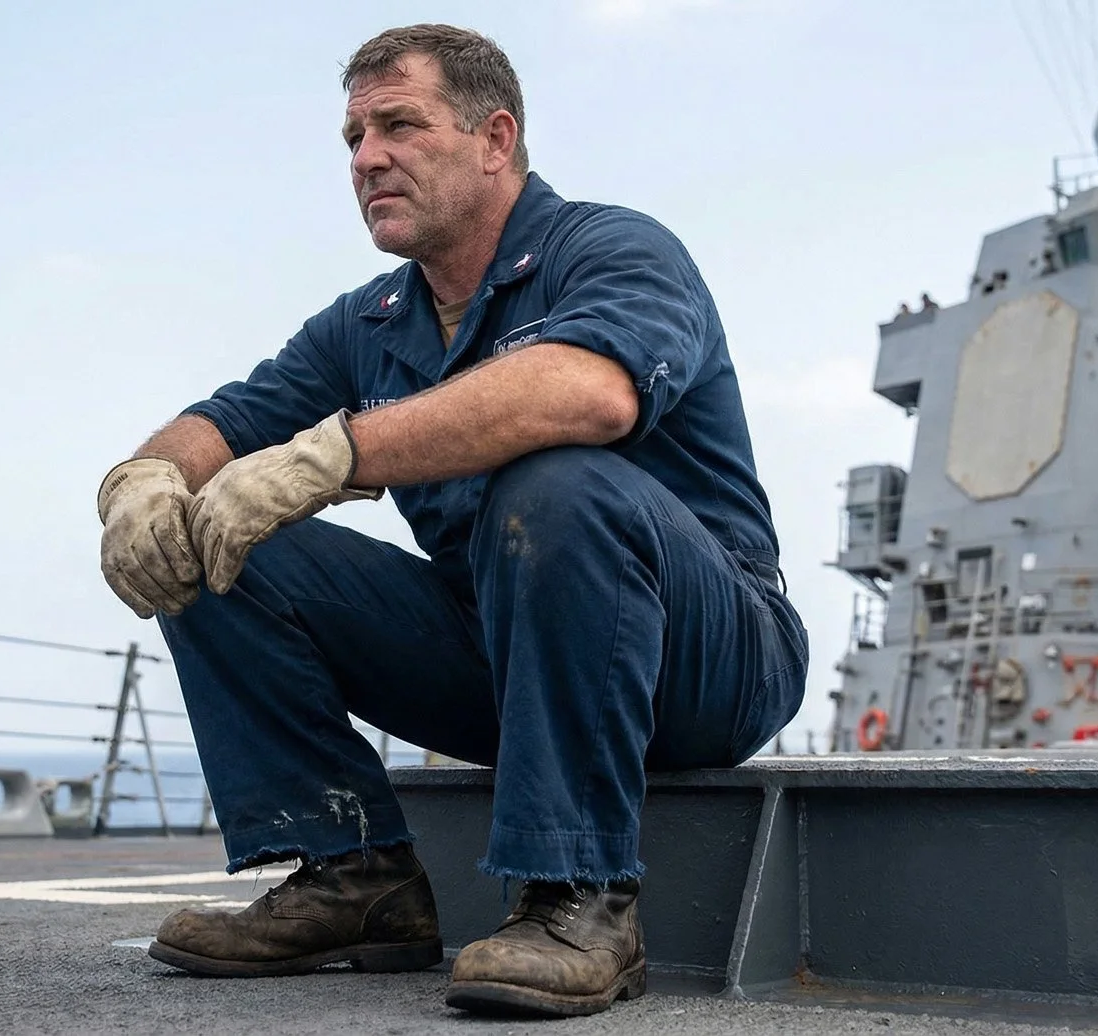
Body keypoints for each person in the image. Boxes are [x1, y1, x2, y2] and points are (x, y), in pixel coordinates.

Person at [95, 24, 807, 1018]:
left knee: (554, 480)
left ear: (494, 136)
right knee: (220, 543)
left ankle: (581, 898)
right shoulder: (372, 320)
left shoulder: (612, 249)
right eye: (352, 137)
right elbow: (220, 423)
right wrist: (142, 480)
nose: (367, 157)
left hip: (712, 656)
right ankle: (355, 878)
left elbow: (588, 393)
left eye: (398, 124)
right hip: (507, 653)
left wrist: (334, 453)